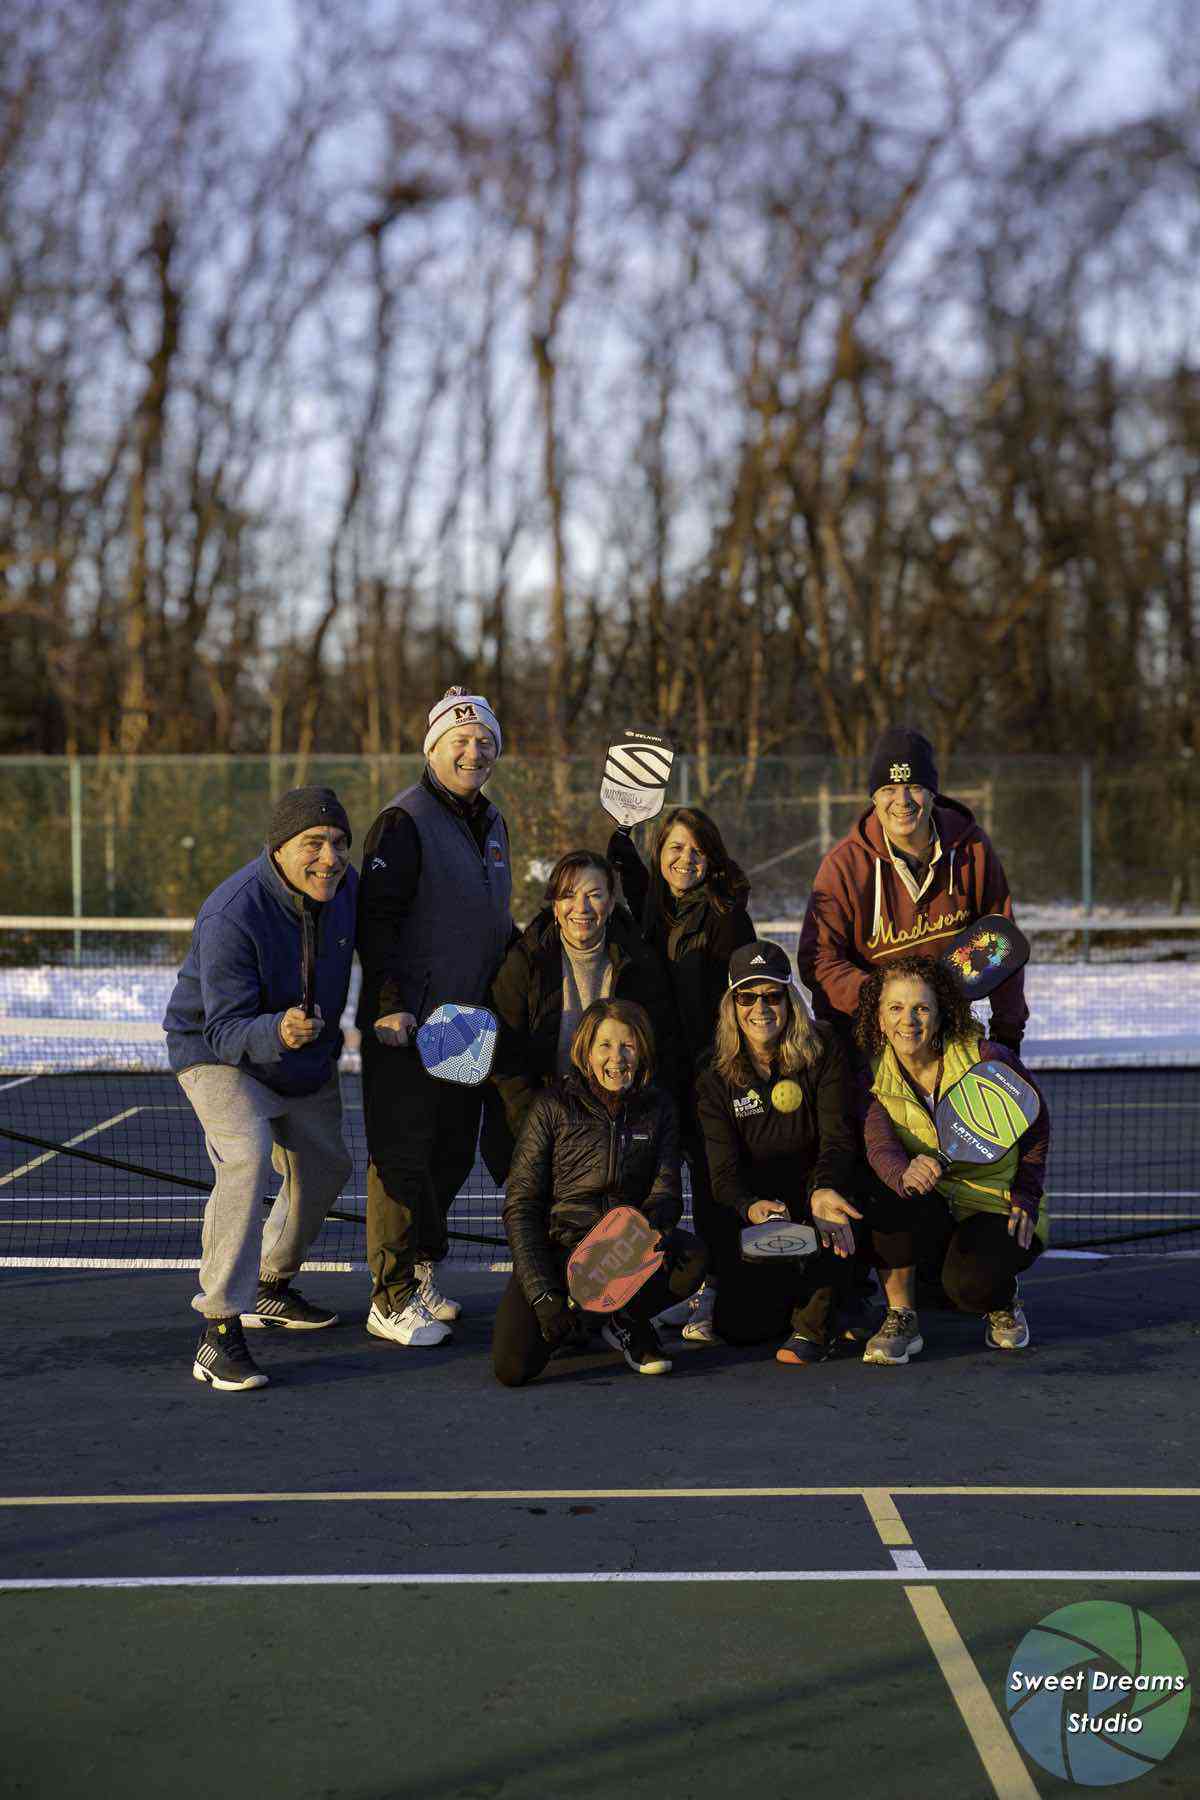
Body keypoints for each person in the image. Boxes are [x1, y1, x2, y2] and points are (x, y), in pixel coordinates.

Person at [163, 787, 357, 1392]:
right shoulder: (232, 913)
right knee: (246, 1162)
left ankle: (270, 1284)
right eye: (313, 844)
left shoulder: (346, 891)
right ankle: (218, 1329)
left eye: (339, 843)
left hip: (302, 1056)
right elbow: (221, 1029)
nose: (329, 857)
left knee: (326, 1166)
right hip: (217, 1053)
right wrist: (277, 1030)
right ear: (279, 849)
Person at [355, 687, 515, 1347]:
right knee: (403, 1158)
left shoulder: (494, 821)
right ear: (434, 748)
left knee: (450, 1155)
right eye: (460, 740)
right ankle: (387, 1297)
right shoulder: (403, 819)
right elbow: (379, 920)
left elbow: (492, 920)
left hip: (468, 1026)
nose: (472, 752)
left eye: (484, 743)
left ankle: (421, 1273)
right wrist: (392, 1005)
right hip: (412, 1024)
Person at [494, 999, 706, 1385]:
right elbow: (521, 1206)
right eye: (605, 1046)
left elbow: (666, 1192)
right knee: (512, 1368)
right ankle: (580, 1317)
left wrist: (650, 1227)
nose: (617, 1058)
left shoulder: (659, 1108)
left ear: (641, 1049)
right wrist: (544, 1296)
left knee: (690, 1258)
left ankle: (624, 1318)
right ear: (585, 1051)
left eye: (627, 1045)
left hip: (624, 1251)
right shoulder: (550, 1107)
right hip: (561, 1251)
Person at [854, 952, 1049, 1365]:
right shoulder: (873, 1074)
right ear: (880, 1019)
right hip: (935, 1201)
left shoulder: (986, 1057)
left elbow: (1034, 1119)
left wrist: (1026, 1195)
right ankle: (901, 1316)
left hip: (995, 1202)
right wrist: (903, 1173)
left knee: (968, 1289)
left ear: (941, 1014)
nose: (909, 1020)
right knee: (879, 1190)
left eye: (922, 1008)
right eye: (896, 1008)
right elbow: (879, 1145)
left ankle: (1003, 1297)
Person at [607, 807, 755, 1346]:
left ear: (711, 858)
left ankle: (717, 1289)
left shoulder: (726, 914)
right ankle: (673, 1288)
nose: (685, 859)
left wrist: (720, 1066)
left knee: (714, 1185)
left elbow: (738, 999)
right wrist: (621, 851)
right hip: (658, 1073)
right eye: (674, 848)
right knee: (659, 1183)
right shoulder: (657, 907)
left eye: (696, 850)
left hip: (710, 1073)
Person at [797, 726, 1027, 1054]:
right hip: (867, 1041)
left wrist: (1007, 1034)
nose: (902, 801)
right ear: (873, 797)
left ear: (933, 793)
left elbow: (1001, 944)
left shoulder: (971, 850)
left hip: (948, 1035)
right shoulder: (844, 866)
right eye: (889, 788)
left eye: (914, 787)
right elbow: (819, 959)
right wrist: (889, 1000)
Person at [694, 941, 865, 1365]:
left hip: (816, 1193)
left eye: (772, 995)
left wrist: (823, 1189)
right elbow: (722, 1173)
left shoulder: (823, 1047)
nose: (760, 1007)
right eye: (747, 997)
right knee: (740, 1330)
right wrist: (749, 1207)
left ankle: (823, 1316)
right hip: (761, 1209)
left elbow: (838, 1138)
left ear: (789, 999)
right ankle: (824, 1302)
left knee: (839, 1210)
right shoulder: (713, 1072)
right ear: (732, 1004)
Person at [488, 849, 683, 1168]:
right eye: (568, 895)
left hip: (621, 1129)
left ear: (610, 904)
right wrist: (538, 1131)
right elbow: (508, 1061)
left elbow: (661, 1048)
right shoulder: (524, 962)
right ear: (554, 904)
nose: (581, 908)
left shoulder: (640, 962)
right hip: (547, 1129)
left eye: (594, 895)